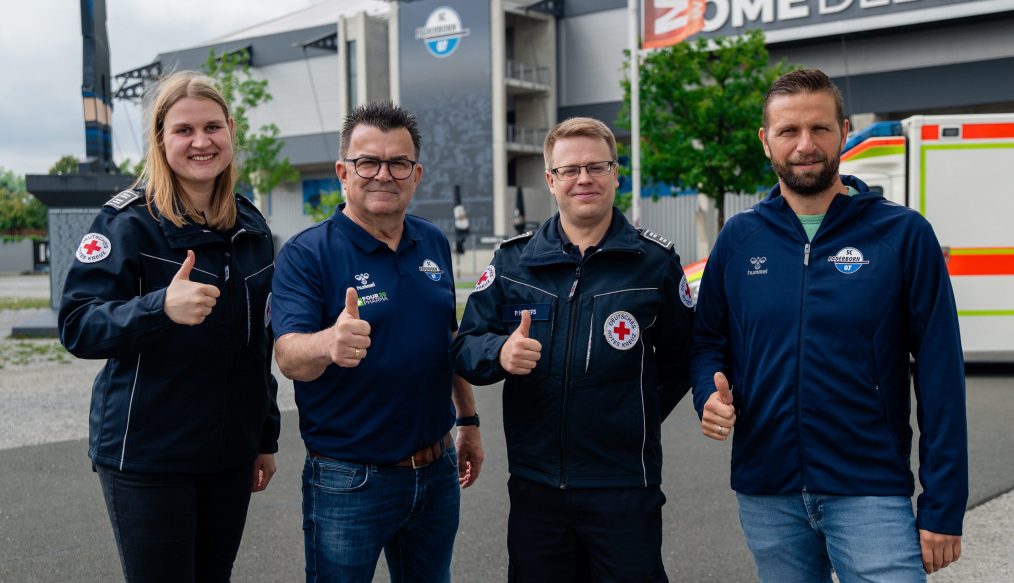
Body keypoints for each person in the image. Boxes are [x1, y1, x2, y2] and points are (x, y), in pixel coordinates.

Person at [691, 69, 967, 582]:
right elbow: (708, 341)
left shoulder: (903, 235)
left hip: (870, 490)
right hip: (767, 490)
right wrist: (708, 391)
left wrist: (943, 506)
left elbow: (941, 378)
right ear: (765, 141)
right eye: (788, 131)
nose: (805, 145)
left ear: (843, 131)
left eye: (819, 129)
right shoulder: (739, 238)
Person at [58, 71, 280, 582]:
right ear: (160, 140)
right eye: (183, 130)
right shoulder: (127, 223)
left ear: (230, 130)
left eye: (212, 127)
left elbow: (257, 345)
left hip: (228, 454)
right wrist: (159, 307)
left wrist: (263, 436)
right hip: (149, 457)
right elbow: (77, 324)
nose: (200, 141)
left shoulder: (252, 227)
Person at [451, 117, 694, 581]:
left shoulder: (655, 264)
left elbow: (683, 360)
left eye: (596, 166)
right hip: (537, 486)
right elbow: (465, 346)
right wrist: (500, 352)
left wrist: (632, 412)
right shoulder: (512, 262)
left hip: (624, 484)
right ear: (551, 180)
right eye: (570, 170)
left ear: (615, 174)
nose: (584, 178)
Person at [271, 101, 484, 583]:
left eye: (398, 163)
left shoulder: (433, 242)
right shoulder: (308, 254)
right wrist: (329, 344)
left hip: (436, 469)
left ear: (417, 173)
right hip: (350, 480)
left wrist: (468, 420)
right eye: (368, 162)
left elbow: (446, 338)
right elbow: (288, 356)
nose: (383, 174)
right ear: (344, 172)